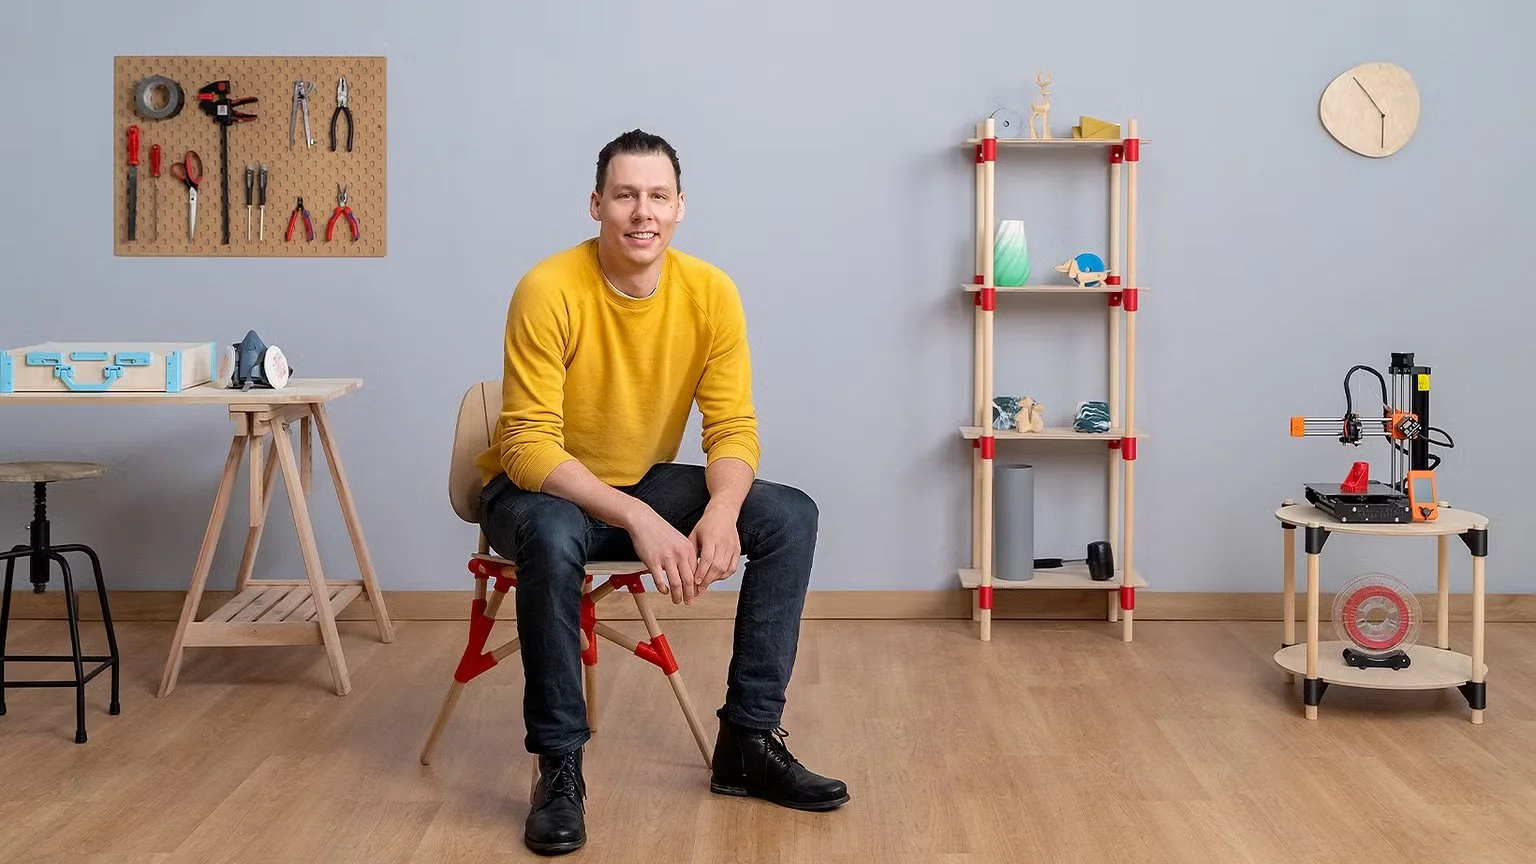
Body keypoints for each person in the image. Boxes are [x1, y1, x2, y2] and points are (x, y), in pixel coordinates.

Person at [473, 129, 849, 856]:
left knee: (789, 515)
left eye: (657, 196)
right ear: (596, 205)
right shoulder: (548, 288)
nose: (641, 212)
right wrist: (637, 515)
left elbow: (732, 426)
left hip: (638, 479)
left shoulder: (710, 293)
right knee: (551, 532)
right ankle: (559, 768)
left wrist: (723, 510)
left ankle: (747, 743)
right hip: (537, 490)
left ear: (680, 207)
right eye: (625, 195)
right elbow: (527, 445)